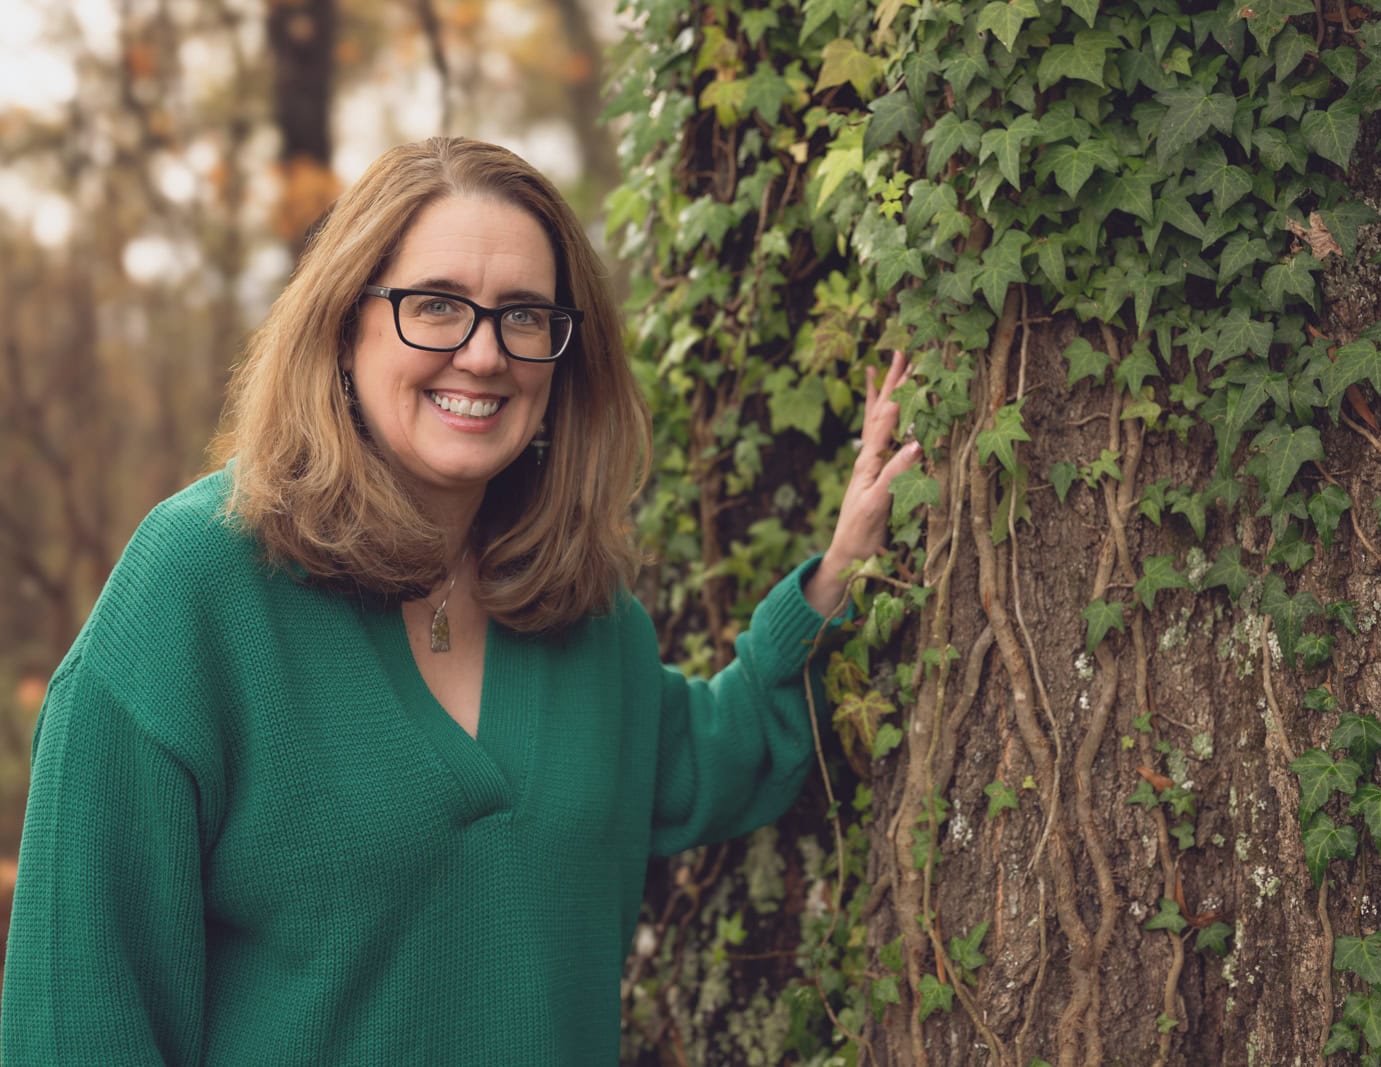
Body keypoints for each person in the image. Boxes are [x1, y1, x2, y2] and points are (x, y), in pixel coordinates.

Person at [1, 136, 921, 1063]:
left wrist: (838, 574)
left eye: (524, 317)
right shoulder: (193, 590)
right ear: (343, 326)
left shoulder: (587, 618)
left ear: (564, 360)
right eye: (435, 305)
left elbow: (710, 753)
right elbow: (76, 1013)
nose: (483, 354)